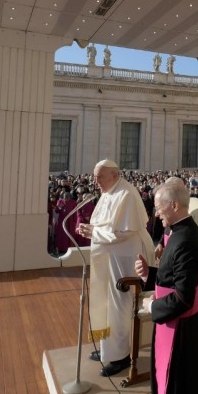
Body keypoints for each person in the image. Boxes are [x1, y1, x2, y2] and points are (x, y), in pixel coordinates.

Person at [134, 178, 198, 394]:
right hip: (174, 325)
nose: (157, 213)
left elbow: (182, 297)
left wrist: (152, 306)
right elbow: (172, 276)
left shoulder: (186, 240)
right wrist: (148, 274)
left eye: (159, 207)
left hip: (182, 333)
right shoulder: (178, 231)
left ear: (175, 205)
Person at [77, 159, 155, 377]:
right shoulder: (109, 191)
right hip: (111, 256)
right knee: (106, 302)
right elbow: (106, 225)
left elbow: (124, 231)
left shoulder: (126, 194)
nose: (96, 181)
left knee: (119, 305)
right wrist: (91, 229)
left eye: (99, 177)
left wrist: (94, 232)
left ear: (114, 175)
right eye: (94, 177)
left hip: (125, 258)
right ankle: (108, 349)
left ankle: (121, 356)